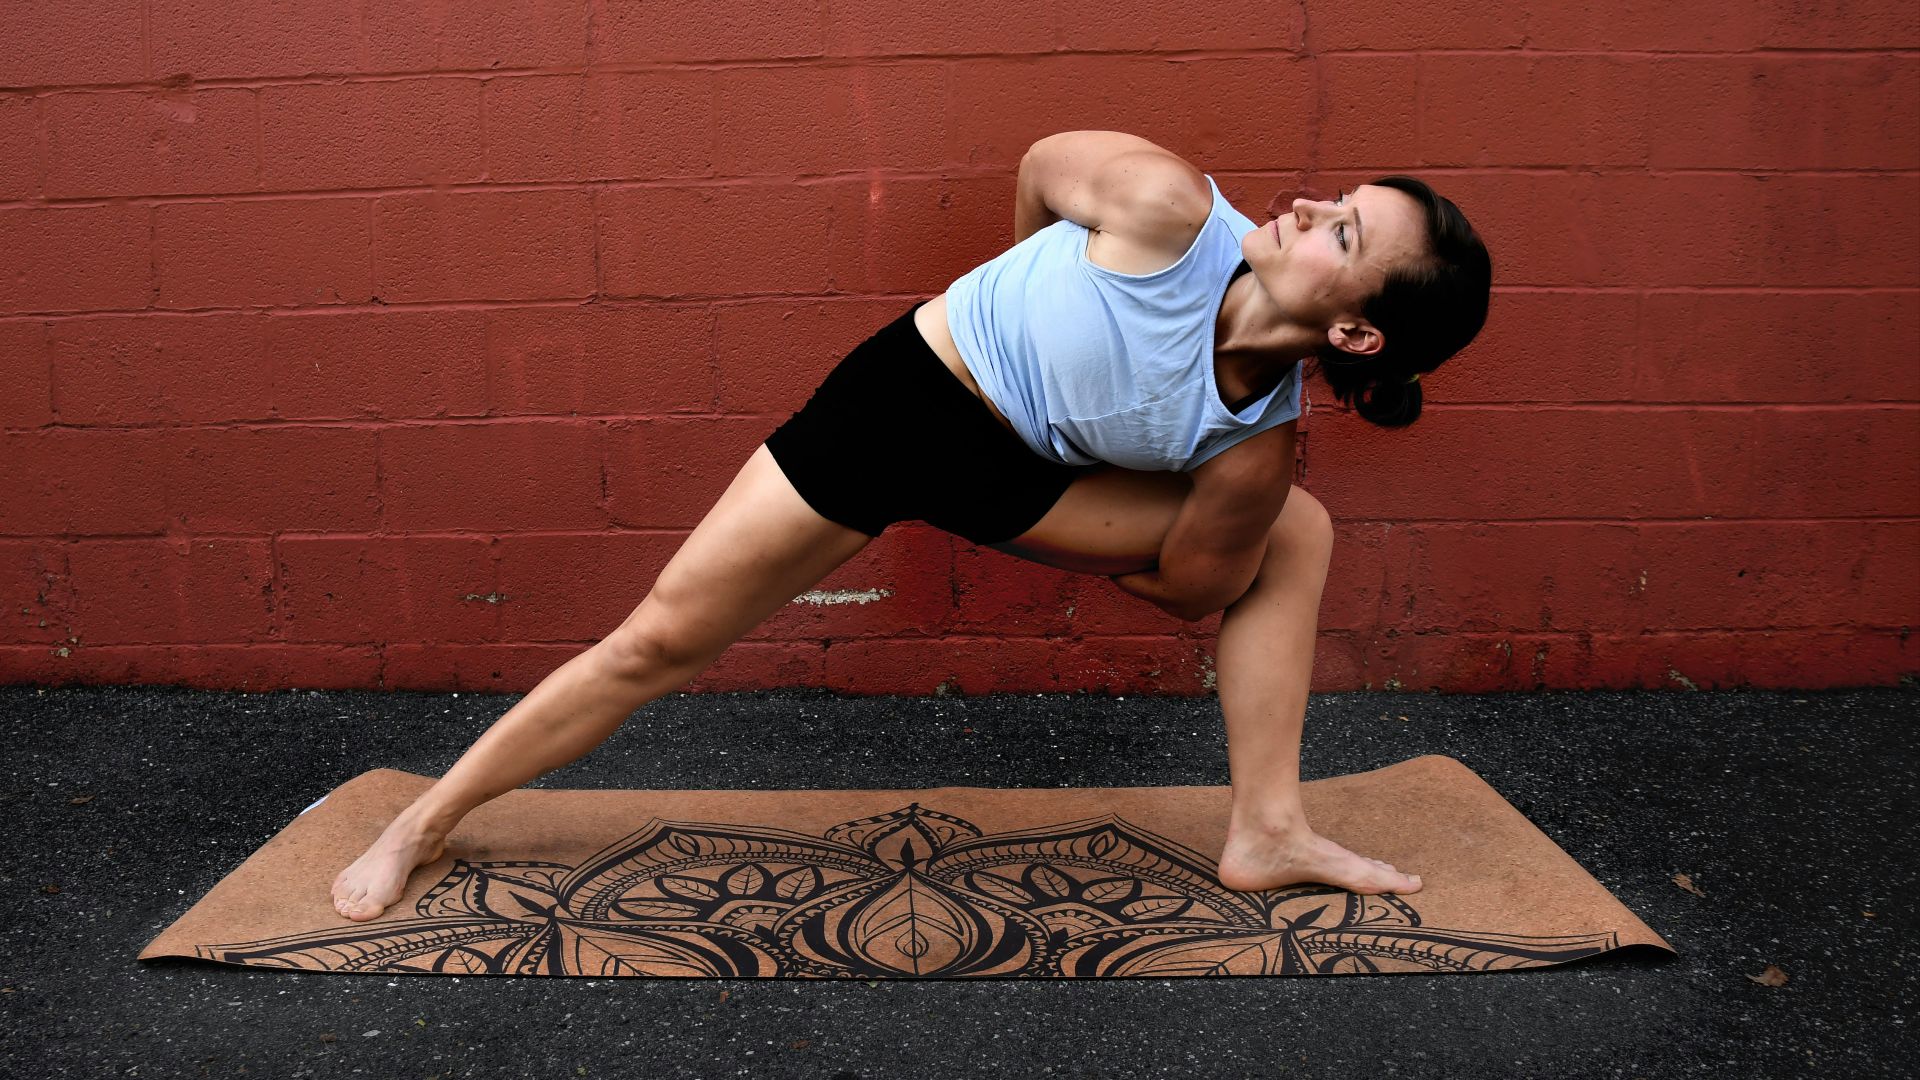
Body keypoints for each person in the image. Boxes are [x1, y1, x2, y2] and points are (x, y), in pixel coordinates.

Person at [330, 129, 1492, 922]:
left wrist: (1081, 499)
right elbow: (1042, 169)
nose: (1305, 207)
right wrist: (1029, 282)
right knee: (657, 642)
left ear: (1357, 338)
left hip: (1028, 482)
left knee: (1294, 528)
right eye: (1337, 201)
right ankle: (428, 821)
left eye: (1342, 234)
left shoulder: (1252, 445)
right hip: (903, 402)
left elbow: (1193, 590)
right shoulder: (1164, 206)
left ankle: (1270, 831)